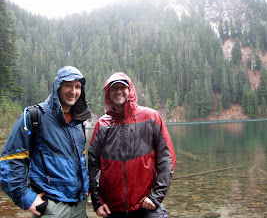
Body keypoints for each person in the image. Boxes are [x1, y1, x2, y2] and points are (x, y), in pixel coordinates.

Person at [0, 66, 91, 217]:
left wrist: (85, 187)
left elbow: (81, 159)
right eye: (68, 85)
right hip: (51, 206)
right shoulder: (34, 116)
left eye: (77, 87)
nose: (73, 91)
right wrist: (27, 198)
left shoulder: (78, 122)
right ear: (57, 87)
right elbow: (11, 160)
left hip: (79, 206)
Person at [88, 72, 176, 218]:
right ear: (108, 94)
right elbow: (93, 165)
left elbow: (167, 160)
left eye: (122, 87)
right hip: (113, 208)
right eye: (114, 88)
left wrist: (156, 197)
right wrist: (97, 202)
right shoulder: (102, 124)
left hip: (146, 205)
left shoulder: (151, 117)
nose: (118, 91)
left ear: (130, 90)